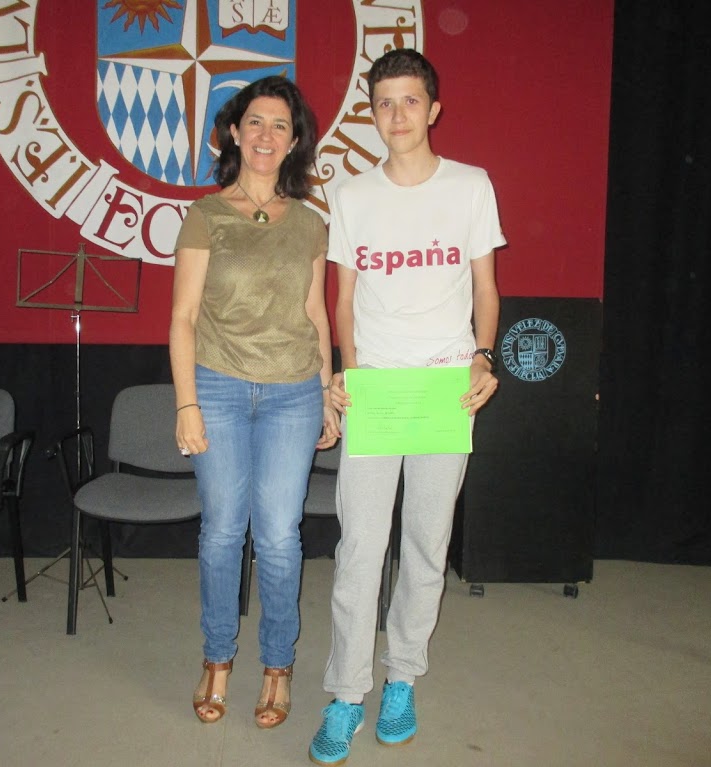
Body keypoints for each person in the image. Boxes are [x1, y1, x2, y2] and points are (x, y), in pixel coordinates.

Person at [308, 48, 505, 765]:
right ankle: (345, 693)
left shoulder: (470, 186)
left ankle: (401, 679)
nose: (397, 115)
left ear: (433, 109)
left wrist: (483, 356)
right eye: (384, 103)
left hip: (444, 390)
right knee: (359, 549)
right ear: (371, 112)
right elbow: (344, 299)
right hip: (378, 392)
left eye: (409, 101)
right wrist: (347, 373)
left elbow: (485, 286)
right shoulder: (352, 195)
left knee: (425, 545)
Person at [170, 75, 340, 730]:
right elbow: (183, 317)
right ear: (234, 134)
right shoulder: (205, 215)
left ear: (294, 141)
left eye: (280, 125)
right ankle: (217, 656)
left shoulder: (310, 223)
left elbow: (315, 314)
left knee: (276, 536)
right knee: (221, 531)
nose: (267, 135)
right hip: (216, 386)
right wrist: (186, 403)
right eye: (256, 122)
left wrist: (327, 392)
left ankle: (277, 664)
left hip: (292, 393)